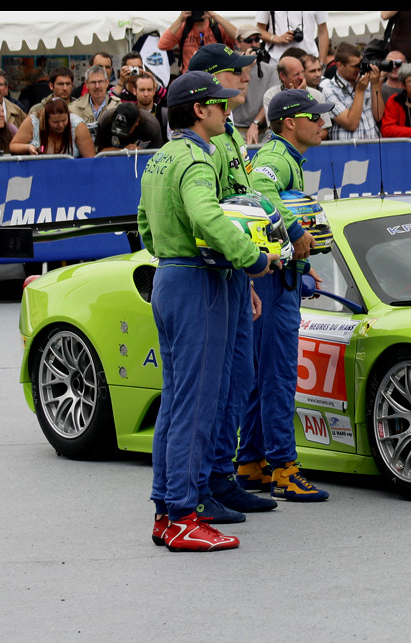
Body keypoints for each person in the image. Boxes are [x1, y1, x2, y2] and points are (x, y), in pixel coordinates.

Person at [140, 71, 277, 552]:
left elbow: (144, 225)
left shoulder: (162, 157)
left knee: (177, 401)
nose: (227, 110)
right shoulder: (197, 160)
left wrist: (175, 254)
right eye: (219, 104)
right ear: (199, 111)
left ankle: (166, 510)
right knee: (197, 403)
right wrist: (254, 258)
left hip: (169, 275)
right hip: (197, 281)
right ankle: (182, 514)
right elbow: (207, 215)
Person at [183, 42, 281, 517]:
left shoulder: (229, 136)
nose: (246, 78)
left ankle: (220, 473)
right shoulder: (210, 142)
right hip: (216, 274)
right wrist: (246, 268)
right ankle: (208, 482)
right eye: (236, 73)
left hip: (234, 276)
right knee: (217, 384)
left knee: (238, 377)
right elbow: (217, 216)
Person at [236, 87, 331, 502]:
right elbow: (260, 192)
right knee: (277, 374)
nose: (324, 123)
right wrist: (294, 230)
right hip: (272, 284)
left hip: (276, 275)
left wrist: (300, 262)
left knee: (263, 374)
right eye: (316, 116)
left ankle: (251, 463)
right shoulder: (276, 158)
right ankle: (284, 468)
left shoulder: (284, 155)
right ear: (291, 123)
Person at [261, 55, 333, 142]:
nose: (301, 77)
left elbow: (324, 131)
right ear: (283, 76)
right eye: (296, 74)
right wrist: (294, 98)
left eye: (302, 72)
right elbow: (278, 129)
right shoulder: (271, 95)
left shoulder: (316, 94)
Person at [322, 42, 384, 140]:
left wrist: (376, 84)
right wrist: (359, 91)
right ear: (339, 65)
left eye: (360, 64)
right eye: (355, 66)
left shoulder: (365, 81)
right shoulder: (330, 90)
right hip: (349, 149)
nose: (359, 69)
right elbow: (351, 124)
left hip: (373, 144)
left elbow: (379, 116)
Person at [232, 24, 277, 144]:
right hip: (238, 129)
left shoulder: (271, 70)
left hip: (262, 128)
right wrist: (246, 68)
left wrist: (255, 123)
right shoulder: (230, 70)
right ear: (238, 43)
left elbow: (271, 100)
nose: (254, 44)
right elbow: (239, 97)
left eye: (257, 40)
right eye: (249, 40)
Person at [10, 97, 95, 157]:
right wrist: (28, 148)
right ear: (46, 120)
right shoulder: (33, 122)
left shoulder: (78, 126)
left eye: (64, 120)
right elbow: (13, 146)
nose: (61, 125)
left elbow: (90, 160)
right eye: (55, 122)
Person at [158, 11, 238, 74]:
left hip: (215, 77)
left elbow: (238, 39)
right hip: (191, 78)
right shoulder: (184, 27)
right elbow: (162, 45)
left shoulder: (216, 26)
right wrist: (180, 19)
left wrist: (215, 16)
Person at [256, 11, 330, 66]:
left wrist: (321, 62)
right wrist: (276, 38)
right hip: (278, 62)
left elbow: (323, 31)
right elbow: (258, 29)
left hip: (309, 62)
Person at [68, 65, 119, 143]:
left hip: (110, 153)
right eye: (93, 82)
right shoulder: (73, 108)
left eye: (100, 82)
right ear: (86, 84)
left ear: (107, 83)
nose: (97, 86)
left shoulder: (118, 106)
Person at [94, 102, 165, 152]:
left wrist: (141, 153)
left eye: (126, 132)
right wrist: (123, 151)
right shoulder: (106, 119)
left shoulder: (150, 125)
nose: (122, 135)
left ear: (137, 122)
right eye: (116, 130)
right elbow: (100, 151)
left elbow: (157, 153)